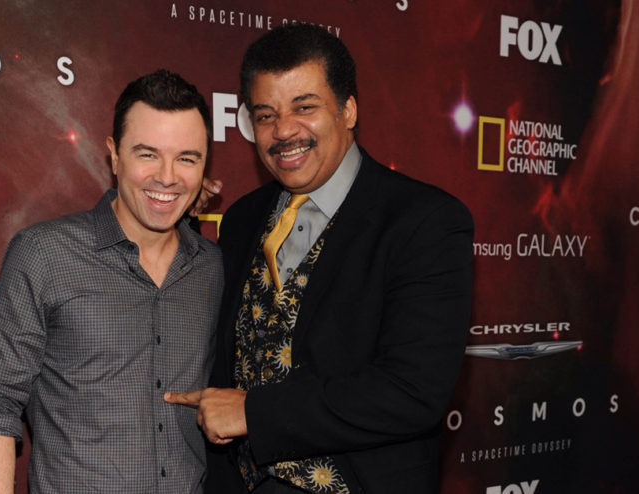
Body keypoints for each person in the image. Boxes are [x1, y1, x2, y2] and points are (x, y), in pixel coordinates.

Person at [165, 24, 474, 493]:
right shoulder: (243, 219)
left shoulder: (425, 221)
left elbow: (412, 393)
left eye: (304, 107)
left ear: (348, 109)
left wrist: (253, 413)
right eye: (265, 115)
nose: (283, 131)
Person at [0, 69, 223, 494]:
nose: (168, 176)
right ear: (114, 156)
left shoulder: (213, 268)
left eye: (187, 158)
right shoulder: (45, 254)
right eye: (148, 154)